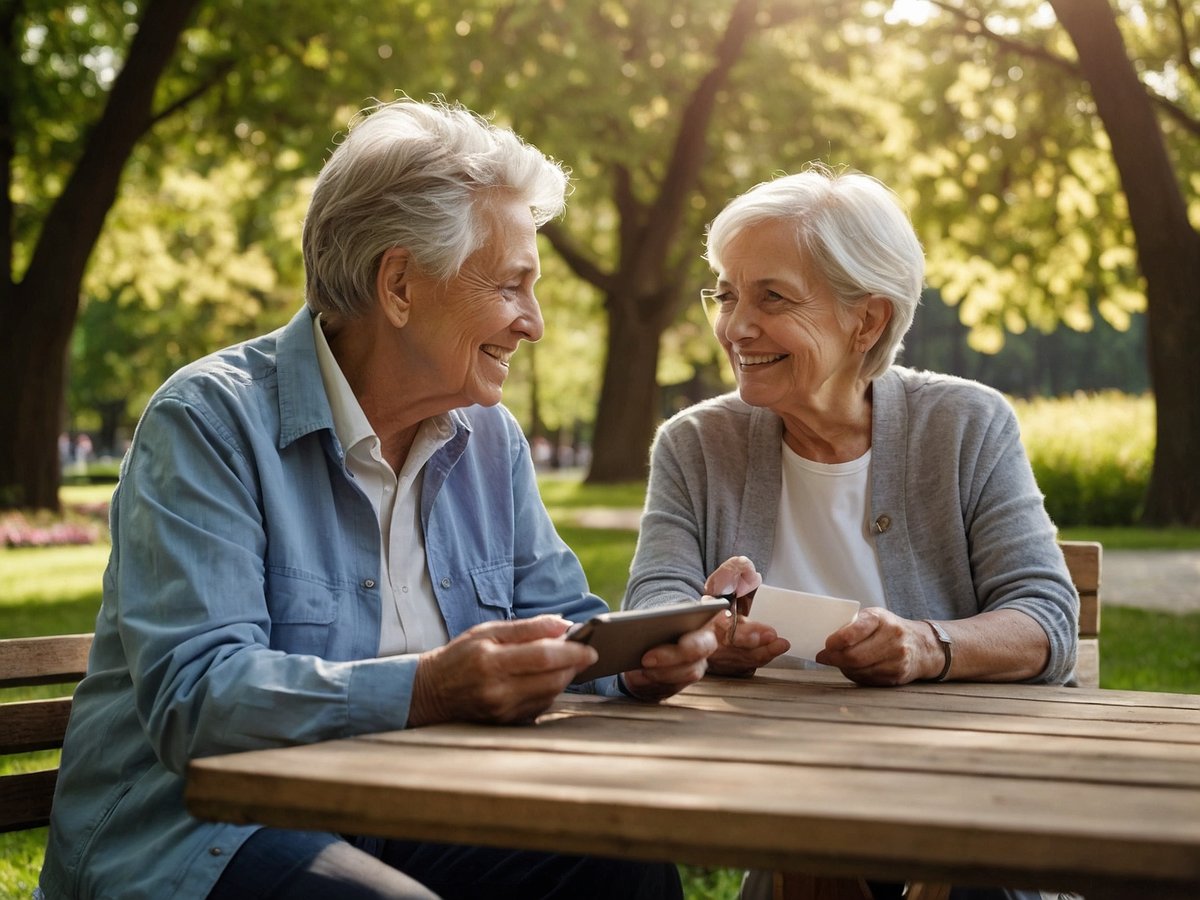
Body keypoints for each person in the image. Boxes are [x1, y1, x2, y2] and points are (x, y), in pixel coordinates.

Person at [39, 99, 716, 900]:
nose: (532, 323)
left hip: (409, 817)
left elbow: (558, 614)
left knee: (627, 870)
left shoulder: (487, 439)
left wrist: (630, 663)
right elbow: (197, 697)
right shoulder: (209, 423)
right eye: (510, 286)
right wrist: (426, 687)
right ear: (399, 285)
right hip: (200, 837)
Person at [623, 166, 1078, 900]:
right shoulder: (695, 444)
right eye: (728, 293)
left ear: (866, 320)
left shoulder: (966, 425)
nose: (737, 325)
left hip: (964, 807)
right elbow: (652, 607)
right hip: (788, 809)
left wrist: (925, 646)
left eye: (771, 297)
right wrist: (707, 630)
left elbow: (1048, 622)